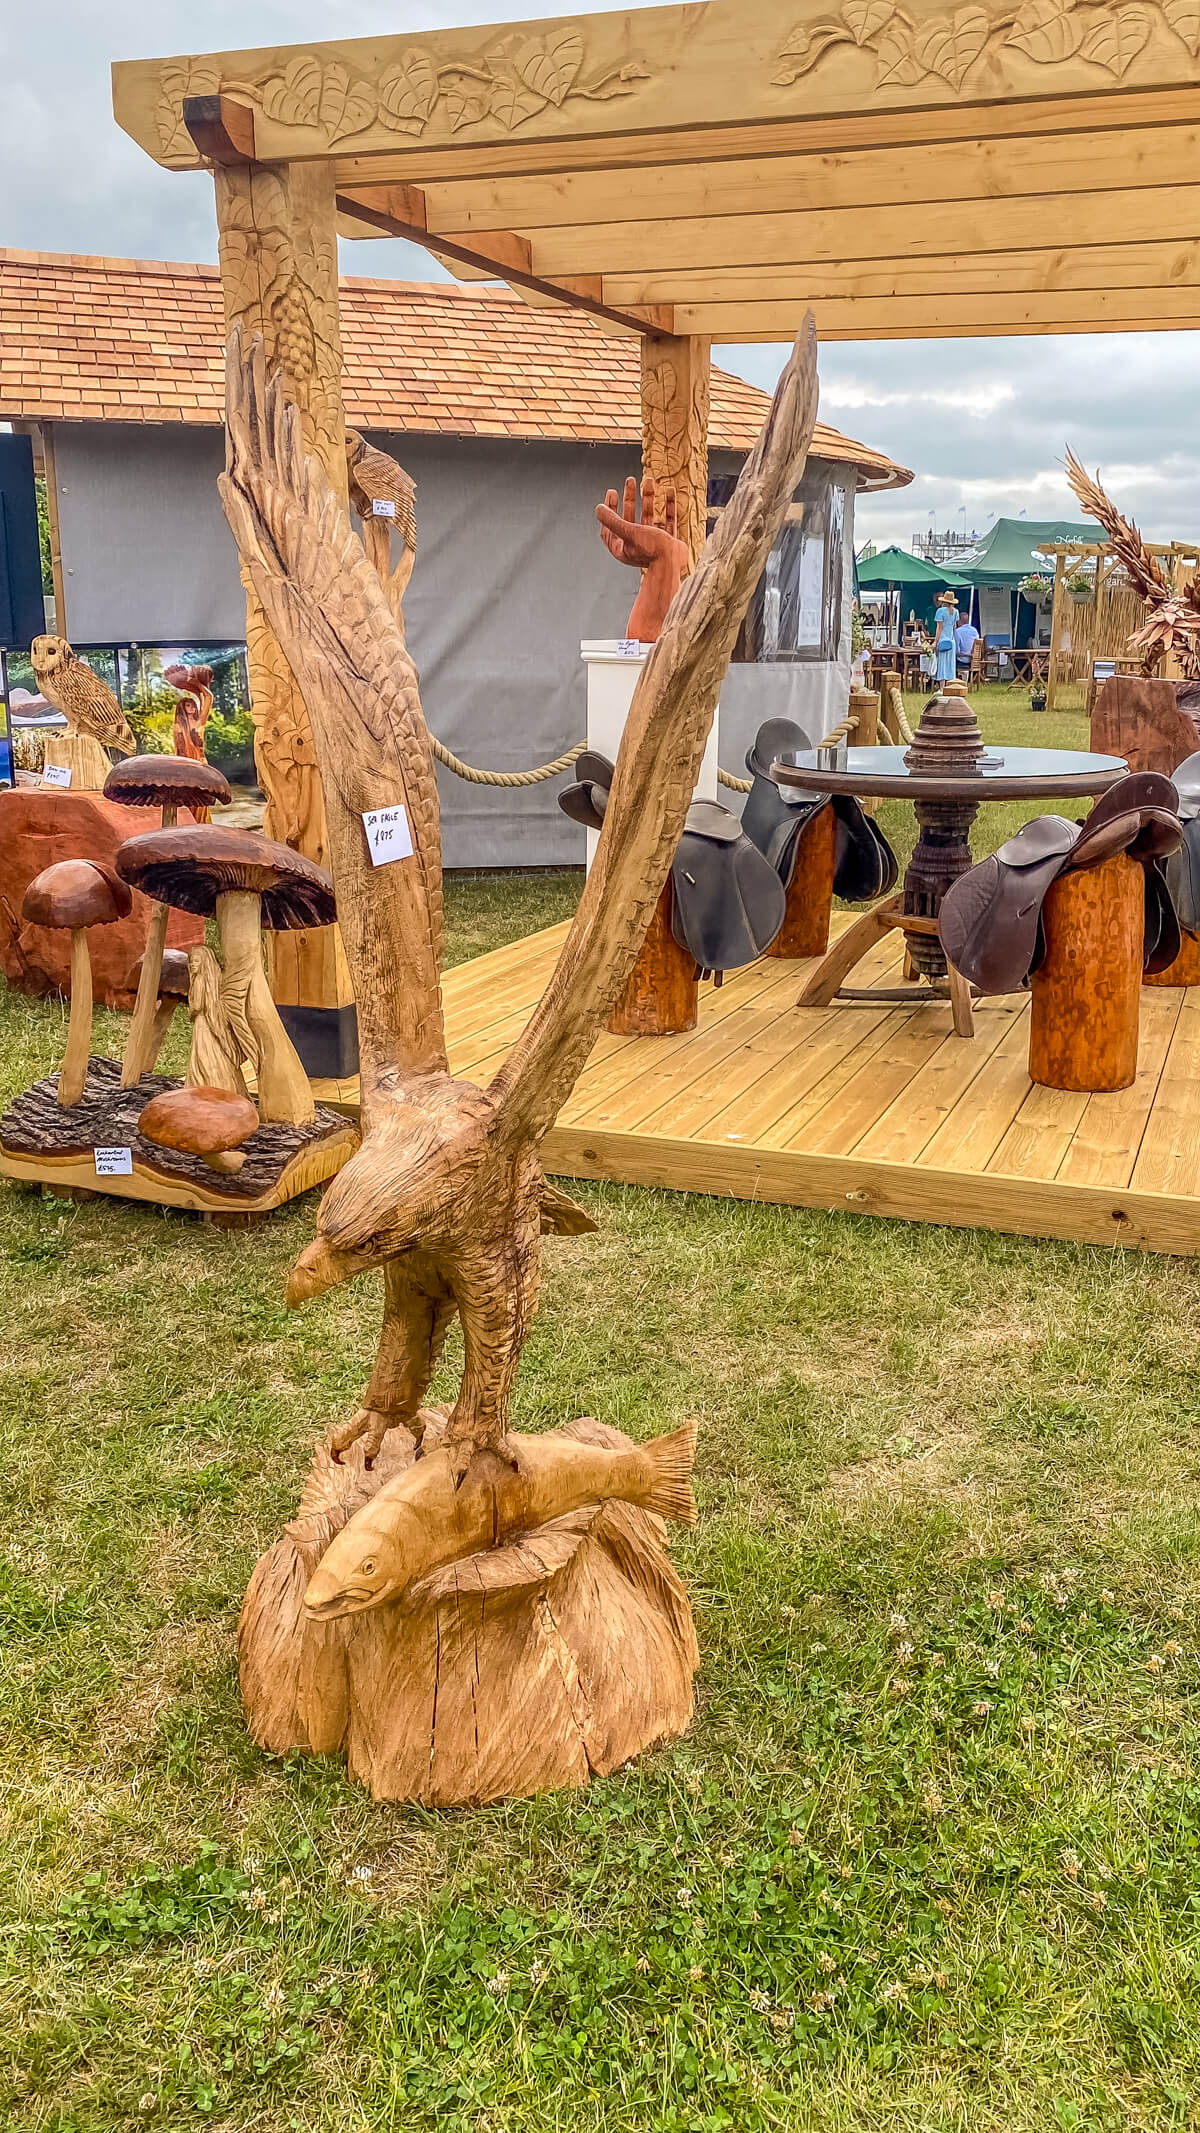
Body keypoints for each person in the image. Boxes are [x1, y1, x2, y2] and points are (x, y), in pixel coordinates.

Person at [933, 591, 958, 686]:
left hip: (942, 640)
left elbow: (939, 628)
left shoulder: (940, 611)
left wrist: (935, 641)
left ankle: (942, 687)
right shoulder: (956, 612)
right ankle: (950, 685)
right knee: (950, 664)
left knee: (942, 664)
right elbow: (954, 626)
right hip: (951, 640)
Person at [955, 608, 980, 680]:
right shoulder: (974, 631)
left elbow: (956, 652)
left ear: (959, 621)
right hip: (974, 660)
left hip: (963, 661)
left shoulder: (957, 632)